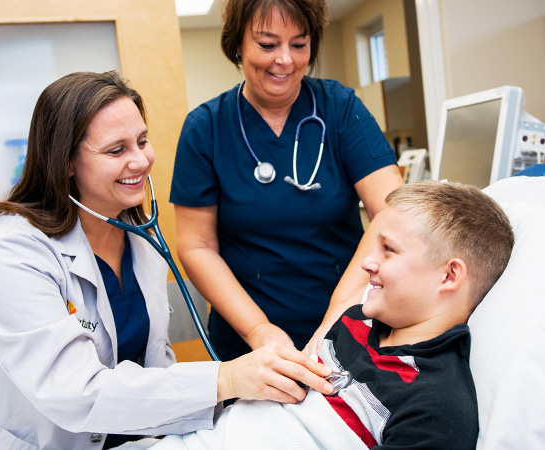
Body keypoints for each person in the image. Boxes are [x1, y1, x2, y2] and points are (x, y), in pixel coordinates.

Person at [0, 71, 335, 450]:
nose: (140, 160)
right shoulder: (13, 250)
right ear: (65, 161)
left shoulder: (142, 241)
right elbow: (74, 391)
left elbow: (154, 371)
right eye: (116, 150)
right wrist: (228, 377)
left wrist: (232, 404)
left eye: (142, 141)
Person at [149, 180, 515, 449]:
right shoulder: (354, 322)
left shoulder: (435, 405)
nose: (367, 262)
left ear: (449, 275)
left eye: (388, 250)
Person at [170, 0, 404, 362]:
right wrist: (258, 332)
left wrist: (336, 319)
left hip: (349, 328)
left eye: (299, 44)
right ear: (237, 44)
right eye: (267, 45)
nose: (285, 60)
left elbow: (394, 211)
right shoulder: (206, 129)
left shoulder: (339, 108)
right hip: (248, 343)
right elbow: (196, 246)